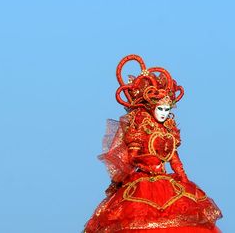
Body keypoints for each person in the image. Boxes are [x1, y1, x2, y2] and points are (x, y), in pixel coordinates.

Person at [83, 55, 222, 233]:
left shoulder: (168, 130)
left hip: (169, 183)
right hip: (142, 184)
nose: (163, 114)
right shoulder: (141, 130)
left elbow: (174, 158)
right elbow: (133, 157)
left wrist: (184, 179)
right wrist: (148, 164)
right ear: (151, 108)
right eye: (160, 109)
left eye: (166, 110)